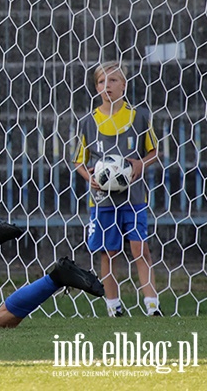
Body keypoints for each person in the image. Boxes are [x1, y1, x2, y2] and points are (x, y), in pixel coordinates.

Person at [73, 61, 161, 316]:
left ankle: (152, 305)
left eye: (112, 80)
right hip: (102, 200)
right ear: (96, 87)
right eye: (101, 82)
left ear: (124, 85)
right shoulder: (89, 121)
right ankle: (113, 307)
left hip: (133, 198)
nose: (106, 86)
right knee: (109, 252)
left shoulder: (139, 116)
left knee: (139, 249)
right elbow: (79, 160)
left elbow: (154, 152)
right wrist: (88, 177)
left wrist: (139, 164)